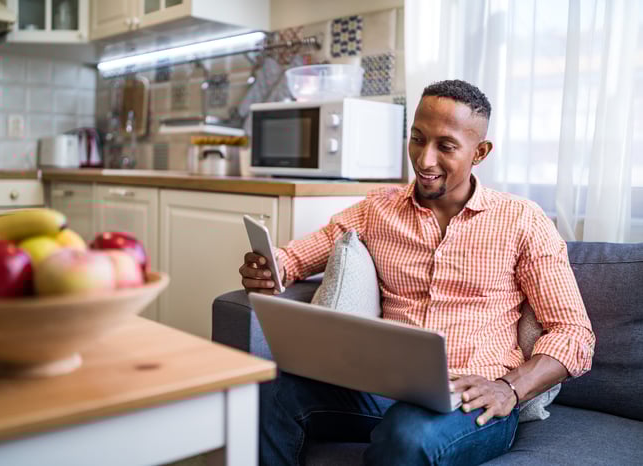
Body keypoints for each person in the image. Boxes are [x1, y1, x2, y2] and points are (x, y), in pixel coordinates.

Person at [239, 79, 595, 466]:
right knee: (267, 388)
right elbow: (295, 258)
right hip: (382, 384)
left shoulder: (523, 221)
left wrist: (510, 388)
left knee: (406, 435)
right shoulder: (378, 210)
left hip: (471, 394)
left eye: (445, 146)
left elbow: (573, 333)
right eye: (417, 139)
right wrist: (269, 268)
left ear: (480, 152)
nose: (424, 160)